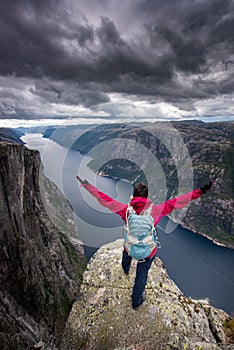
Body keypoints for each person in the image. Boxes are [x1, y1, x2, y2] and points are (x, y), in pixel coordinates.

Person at [76, 176, 214, 310]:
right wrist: (201, 191)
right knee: (141, 277)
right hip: (147, 252)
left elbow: (104, 199)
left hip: (130, 248)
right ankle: (136, 302)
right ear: (147, 197)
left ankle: (125, 268)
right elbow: (181, 200)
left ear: (133, 196)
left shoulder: (125, 210)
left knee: (126, 247)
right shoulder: (156, 210)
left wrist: (89, 187)